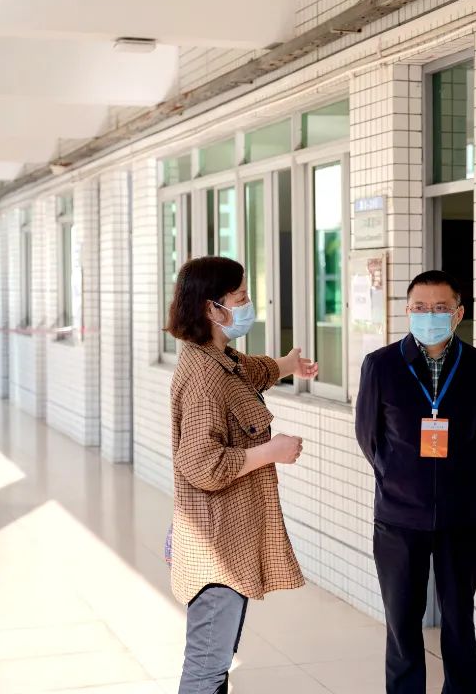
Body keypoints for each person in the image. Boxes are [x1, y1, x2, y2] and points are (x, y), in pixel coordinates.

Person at [166, 256, 319, 694]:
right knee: (207, 668)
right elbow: (201, 463)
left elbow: (250, 371)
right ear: (211, 308)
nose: (249, 305)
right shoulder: (204, 377)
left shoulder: (217, 358)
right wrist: (271, 452)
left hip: (227, 539)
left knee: (216, 663)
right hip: (216, 548)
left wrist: (288, 364)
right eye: (241, 298)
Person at [355, 270, 476, 694]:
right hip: (399, 517)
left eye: (440, 308)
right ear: (407, 311)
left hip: (461, 515)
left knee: (459, 621)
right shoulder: (381, 365)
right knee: (402, 623)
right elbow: (368, 437)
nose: (429, 315)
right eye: (420, 307)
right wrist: (399, 479)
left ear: (458, 313)